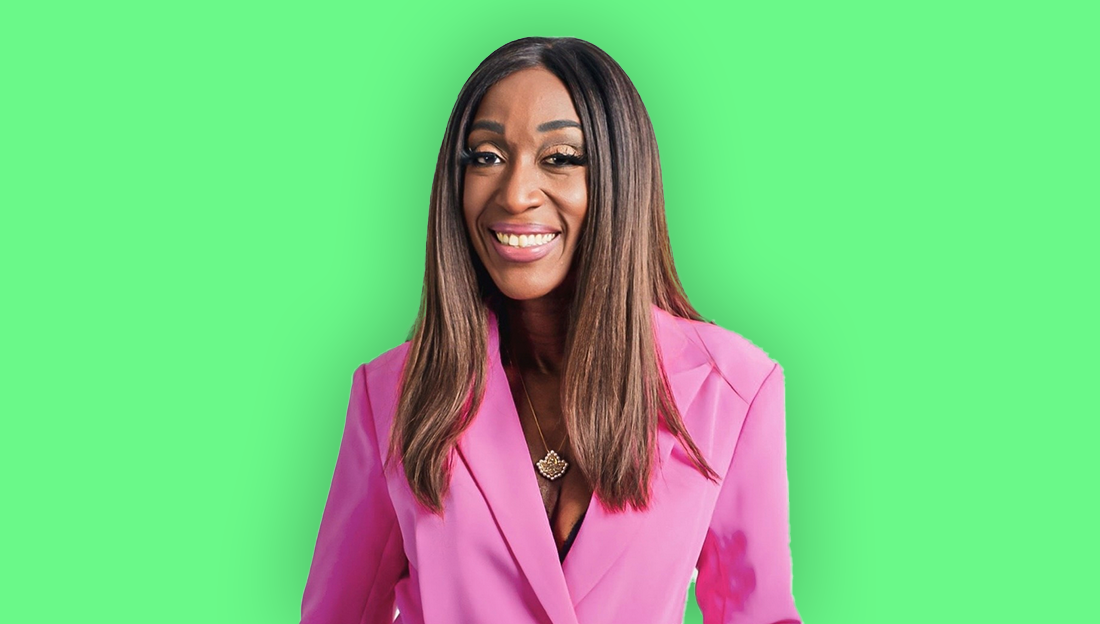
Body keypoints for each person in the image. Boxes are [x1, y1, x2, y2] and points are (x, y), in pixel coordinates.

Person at [301, 37, 801, 624]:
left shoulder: (733, 388)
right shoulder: (390, 393)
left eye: (560, 157)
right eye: (486, 156)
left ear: (621, 178)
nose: (514, 194)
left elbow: (756, 613)